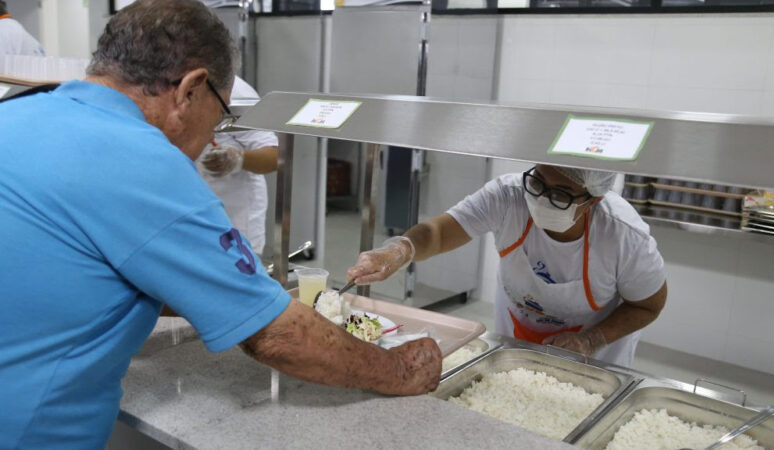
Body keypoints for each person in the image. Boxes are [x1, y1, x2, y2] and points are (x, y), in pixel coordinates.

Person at [0, 1, 440, 448]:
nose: (214, 136)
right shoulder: (144, 161)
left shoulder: (16, 113)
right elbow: (277, 337)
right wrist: (398, 370)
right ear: (190, 89)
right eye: (220, 114)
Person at [347, 164, 667, 367]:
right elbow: (442, 231)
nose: (540, 197)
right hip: (517, 334)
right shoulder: (509, 197)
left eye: (560, 194)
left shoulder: (623, 236)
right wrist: (399, 250)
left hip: (591, 360)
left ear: (593, 200)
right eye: (539, 181)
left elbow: (648, 305)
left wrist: (592, 340)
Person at [197, 76, 276, 256]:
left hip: (235, 216)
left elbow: (273, 156)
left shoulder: (237, 92)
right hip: (194, 212)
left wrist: (237, 159)